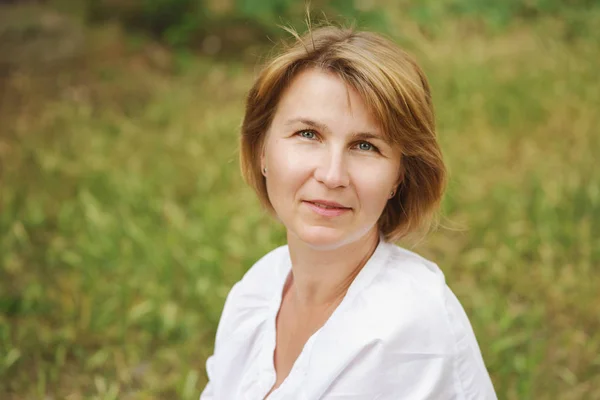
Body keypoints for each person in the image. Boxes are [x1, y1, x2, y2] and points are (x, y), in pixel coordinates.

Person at [200, 24, 497, 399]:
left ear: (398, 177)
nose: (332, 174)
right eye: (308, 134)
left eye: (365, 146)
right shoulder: (258, 290)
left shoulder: (409, 330)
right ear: (261, 151)